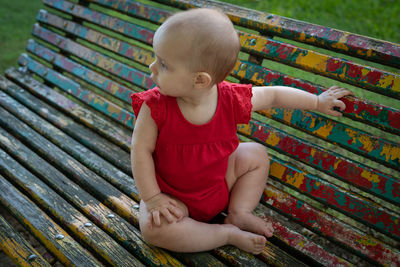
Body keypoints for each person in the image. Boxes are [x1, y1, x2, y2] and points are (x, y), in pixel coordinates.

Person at [130, 8, 352, 254]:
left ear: (200, 80)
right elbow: (140, 151)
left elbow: (273, 95)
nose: (151, 67)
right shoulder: (155, 107)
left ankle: (239, 212)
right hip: (172, 196)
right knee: (154, 229)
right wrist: (152, 199)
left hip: (218, 185)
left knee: (255, 155)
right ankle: (224, 233)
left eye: (163, 64)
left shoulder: (230, 99)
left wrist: (317, 102)